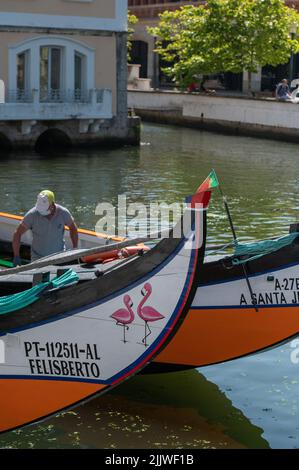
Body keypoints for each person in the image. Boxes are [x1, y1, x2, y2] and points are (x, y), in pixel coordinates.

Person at [12, 190, 78, 265]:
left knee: (63, 276)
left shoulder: (63, 213)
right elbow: (17, 233)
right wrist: (16, 255)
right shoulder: (32, 214)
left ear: (52, 204)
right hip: (38, 258)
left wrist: (75, 248)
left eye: (44, 210)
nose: (42, 213)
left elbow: (73, 228)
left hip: (59, 256)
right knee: (38, 276)